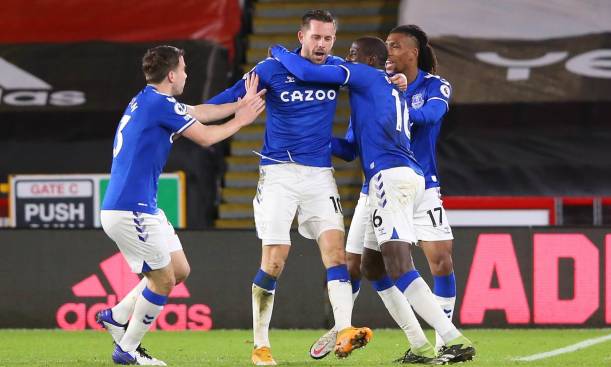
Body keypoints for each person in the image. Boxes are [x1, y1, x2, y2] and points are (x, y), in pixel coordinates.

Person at [270, 35, 475, 364]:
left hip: (390, 177)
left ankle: (452, 338)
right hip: (393, 177)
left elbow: (310, 73)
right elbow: (350, 149)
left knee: (400, 263)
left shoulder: (368, 77)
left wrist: (278, 52)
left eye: (352, 54)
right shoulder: (382, 90)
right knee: (371, 265)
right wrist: (312, 141)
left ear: (367, 61)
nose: (346, 59)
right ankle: (419, 345)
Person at [206, 10, 372, 366]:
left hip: (318, 175)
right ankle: (261, 345)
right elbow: (228, 99)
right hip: (278, 173)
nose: (322, 45)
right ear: (301, 36)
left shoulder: (333, 69)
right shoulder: (269, 71)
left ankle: (344, 329)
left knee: (336, 253)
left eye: (329, 38)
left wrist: (399, 83)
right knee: (275, 259)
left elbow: (372, 82)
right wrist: (185, 112)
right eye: (316, 37)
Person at [97, 45, 266, 365]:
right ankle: (128, 349)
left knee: (179, 271)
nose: (187, 74)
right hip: (130, 209)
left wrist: (240, 104)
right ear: (172, 75)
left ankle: (117, 316)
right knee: (162, 280)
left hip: (140, 206)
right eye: (184, 69)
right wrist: (240, 121)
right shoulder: (158, 104)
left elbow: (198, 111)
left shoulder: (149, 100)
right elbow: (205, 138)